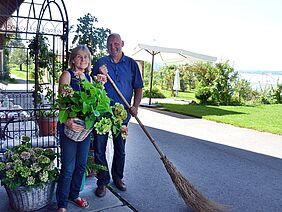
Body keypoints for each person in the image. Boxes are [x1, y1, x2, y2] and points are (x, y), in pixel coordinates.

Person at [91, 33, 143, 197]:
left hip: (122, 116)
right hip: (102, 115)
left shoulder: (131, 64)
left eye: (116, 43)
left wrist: (135, 106)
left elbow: (138, 87)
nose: (113, 47)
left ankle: (118, 178)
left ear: (122, 44)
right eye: (110, 44)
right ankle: (102, 182)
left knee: (120, 149)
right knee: (99, 149)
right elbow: (92, 86)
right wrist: (99, 79)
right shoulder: (101, 63)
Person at [56, 45, 92, 212]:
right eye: (79, 56)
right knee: (68, 166)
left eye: (86, 57)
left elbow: (93, 104)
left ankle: (74, 194)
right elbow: (62, 103)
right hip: (69, 127)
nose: (83, 59)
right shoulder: (67, 75)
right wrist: (68, 121)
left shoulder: (90, 79)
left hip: (84, 130)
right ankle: (62, 204)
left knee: (81, 165)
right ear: (73, 59)